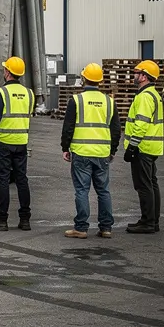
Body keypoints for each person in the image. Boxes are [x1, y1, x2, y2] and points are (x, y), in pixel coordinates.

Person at [61, 63, 120, 239]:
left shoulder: (76, 100)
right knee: (103, 191)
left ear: (84, 78)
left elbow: (68, 127)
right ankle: (106, 228)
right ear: (100, 81)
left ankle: (81, 228)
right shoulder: (110, 101)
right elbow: (116, 129)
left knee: (82, 190)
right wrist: (112, 150)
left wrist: (65, 148)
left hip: (81, 153)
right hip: (102, 153)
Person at [0, 56, 35, 232]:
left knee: (3, 180)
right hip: (21, 142)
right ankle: (25, 220)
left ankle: (2, 219)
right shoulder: (29, 94)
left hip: (3, 142)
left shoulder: (1, 93)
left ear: (7, 72)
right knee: (22, 180)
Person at [124, 59, 164, 234]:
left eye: (136, 73)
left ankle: (147, 222)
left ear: (144, 76)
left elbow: (141, 124)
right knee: (152, 184)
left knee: (143, 185)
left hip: (143, 147)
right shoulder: (154, 94)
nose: (134, 75)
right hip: (151, 146)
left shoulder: (145, 97)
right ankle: (152, 220)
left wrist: (132, 146)